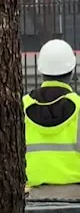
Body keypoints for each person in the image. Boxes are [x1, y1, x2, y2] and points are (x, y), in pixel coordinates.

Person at [24, 39, 80, 186]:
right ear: (72, 71)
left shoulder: (21, 107)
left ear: (40, 70)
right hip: (75, 193)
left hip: (30, 192)